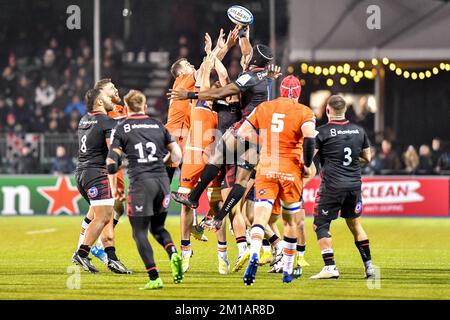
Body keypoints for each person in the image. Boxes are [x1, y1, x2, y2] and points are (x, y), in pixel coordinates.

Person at [169, 43, 282, 232]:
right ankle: (218, 219)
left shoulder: (249, 77)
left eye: (249, 55)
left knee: (217, 157)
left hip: (246, 126)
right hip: (261, 135)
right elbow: (237, 64)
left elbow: (221, 91)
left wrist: (189, 94)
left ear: (253, 60)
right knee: (242, 181)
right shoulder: (266, 77)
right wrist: (241, 33)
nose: (245, 56)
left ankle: (194, 197)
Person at [236, 75, 316, 285]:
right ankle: (288, 269)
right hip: (290, 170)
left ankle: (254, 253)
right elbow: (309, 137)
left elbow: (242, 132)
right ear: (298, 93)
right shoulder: (304, 111)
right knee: (290, 222)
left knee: (259, 218)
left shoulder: (264, 107)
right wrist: (307, 162)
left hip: (267, 167)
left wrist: (264, 143)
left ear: (280, 90)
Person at [106, 90, 183, 290]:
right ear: (144, 106)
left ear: (127, 107)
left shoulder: (122, 128)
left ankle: (154, 277)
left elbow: (111, 163)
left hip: (141, 185)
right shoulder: (159, 125)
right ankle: (173, 252)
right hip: (162, 182)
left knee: (139, 232)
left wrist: (116, 174)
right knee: (158, 228)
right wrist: (160, 162)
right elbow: (177, 154)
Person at [310, 95, 375, 280]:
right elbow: (368, 158)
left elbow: (308, 158)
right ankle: (369, 267)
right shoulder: (358, 130)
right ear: (344, 110)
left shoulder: (321, 132)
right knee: (355, 224)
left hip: (332, 186)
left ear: (328, 110)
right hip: (354, 185)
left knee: (320, 224)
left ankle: (330, 267)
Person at [71, 88, 131, 274]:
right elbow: (112, 150)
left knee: (100, 214)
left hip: (82, 172)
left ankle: (110, 257)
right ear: (98, 102)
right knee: (104, 217)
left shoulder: (85, 119)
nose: (110, 99)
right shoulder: (107, 121)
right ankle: (82, 252)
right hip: (97, 173)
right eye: (106, 97)